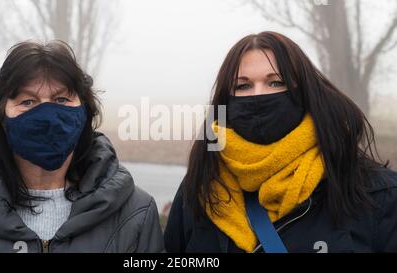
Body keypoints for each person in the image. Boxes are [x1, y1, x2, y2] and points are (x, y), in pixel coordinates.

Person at [164, 31, 397, 253]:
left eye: (275, 82)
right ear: (225, 101)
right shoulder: (200, 189)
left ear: (304, 93)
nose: (258, 95)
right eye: (243, 86)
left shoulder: (377, 193)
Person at [0, 40, 164, 253]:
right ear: (2, 116)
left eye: (61, 100)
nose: (48, 117)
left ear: (84, 112)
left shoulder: (135, 214)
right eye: (28, 102)